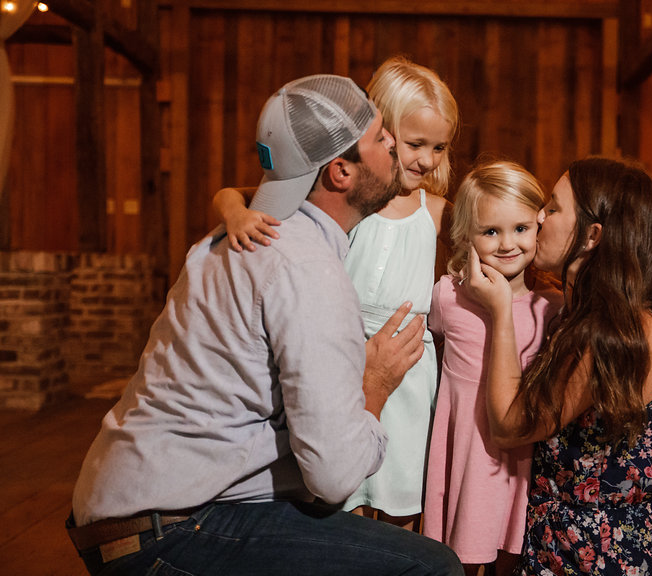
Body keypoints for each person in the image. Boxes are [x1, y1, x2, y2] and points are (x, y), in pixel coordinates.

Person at [67, 74, 462, 576]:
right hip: (170, 527)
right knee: (430, 567)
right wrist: (376, 384)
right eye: (383, 139)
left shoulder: (240, 234)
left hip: (127, 504)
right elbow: (336, 476)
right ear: (341, 172)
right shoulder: (307, 269)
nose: (398, 152)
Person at [213, 57, 457, 532]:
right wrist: (233, 214)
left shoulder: (437, 213)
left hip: (407, 371)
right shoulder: (354, 196)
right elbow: (233, 192)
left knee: (400, 503)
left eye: (439, 147)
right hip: (340, 359)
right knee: (339, 502)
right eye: (414, 144)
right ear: (382, 131)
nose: (427, 160)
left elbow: (491, 241)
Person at [464, 156, 652, 575]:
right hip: (574, 543)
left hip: (593, 554)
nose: (539, 217)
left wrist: (501, 311)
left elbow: (509, 424)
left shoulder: (615, 334)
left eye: (553, 208)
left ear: (592, 236)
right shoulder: (609, 316)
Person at [422, 161, 562, 575]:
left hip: (521, 465)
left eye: (520, 228)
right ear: (466, 237)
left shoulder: (551, 308)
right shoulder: (448, 297)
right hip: (466, 458)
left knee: (512, 560)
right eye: (490, 232)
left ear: (539, 226)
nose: (507, 244)